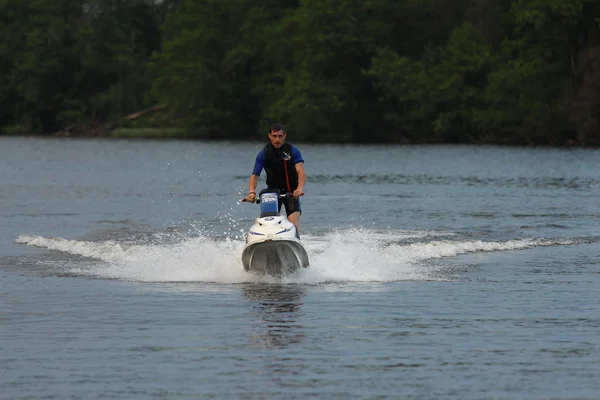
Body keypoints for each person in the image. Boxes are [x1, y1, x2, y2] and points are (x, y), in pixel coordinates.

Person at [245, 123, 306, 234]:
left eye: (280, 136)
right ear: (269, 136)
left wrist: (299, 188)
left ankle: (294, 241)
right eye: (274, 136)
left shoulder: (293, 151)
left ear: (284, 136)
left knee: (293, 222)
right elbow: (255, 176)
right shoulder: (263, 154)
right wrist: (252, 192)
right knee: (269, 223)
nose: (277, 139)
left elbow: (301, 172)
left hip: (292, 192)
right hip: (272, 193)